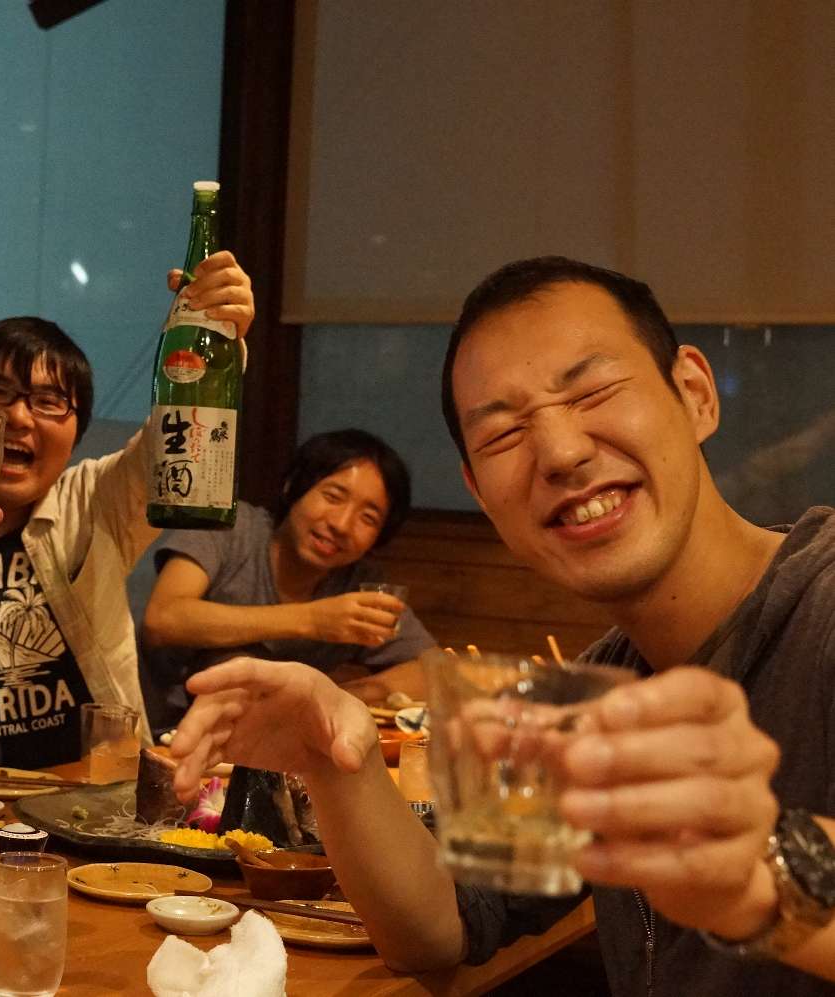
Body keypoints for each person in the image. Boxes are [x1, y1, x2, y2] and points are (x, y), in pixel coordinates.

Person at [168, 256, 835, 993]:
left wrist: (763, 873)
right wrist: (335, 758)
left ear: (695, 394)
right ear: (481, 495)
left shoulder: (823, 609)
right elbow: (442, 925)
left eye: (593, 391)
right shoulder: (595, 692)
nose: (561, 452)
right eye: (503, 434)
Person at [0, 253, 256, 769]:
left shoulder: (95, 502)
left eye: (49, 401)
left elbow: (179, 435)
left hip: (91, 793)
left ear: (77, 431)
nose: (18, 417)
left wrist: (217, 334)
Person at [142, 427, 433, 721]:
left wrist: (331, 697)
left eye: (368, 518)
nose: (342, 524)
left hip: (267, 740)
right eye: (333, 497)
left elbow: (434, 668)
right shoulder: (228, 527)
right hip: (156, 728)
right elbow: (162, 618)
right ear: (292, 486)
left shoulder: (357, 582)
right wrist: (313, 620)